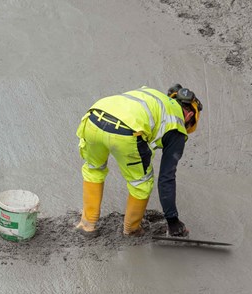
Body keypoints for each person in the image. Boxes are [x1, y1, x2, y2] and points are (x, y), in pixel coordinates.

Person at [74, 84, 203, 237]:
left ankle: (87, 224)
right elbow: (166, 178)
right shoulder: (177, 127)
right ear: (189, 117)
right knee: (141, 184)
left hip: (93, 117)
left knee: (93, 170)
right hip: (125, 131)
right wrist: (172, 221)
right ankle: (132, 229)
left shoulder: (152, 96)